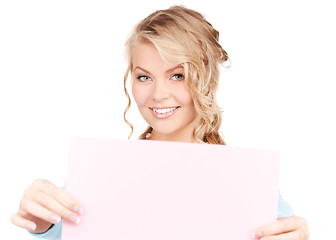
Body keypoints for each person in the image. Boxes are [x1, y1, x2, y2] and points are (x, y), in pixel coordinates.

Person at [11, 5, 309, 240]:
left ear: (208, 81)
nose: (159, 94)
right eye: (144, 77)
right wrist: (42, 226)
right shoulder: (100, 176)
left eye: (177, 75)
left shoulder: (250, 186)